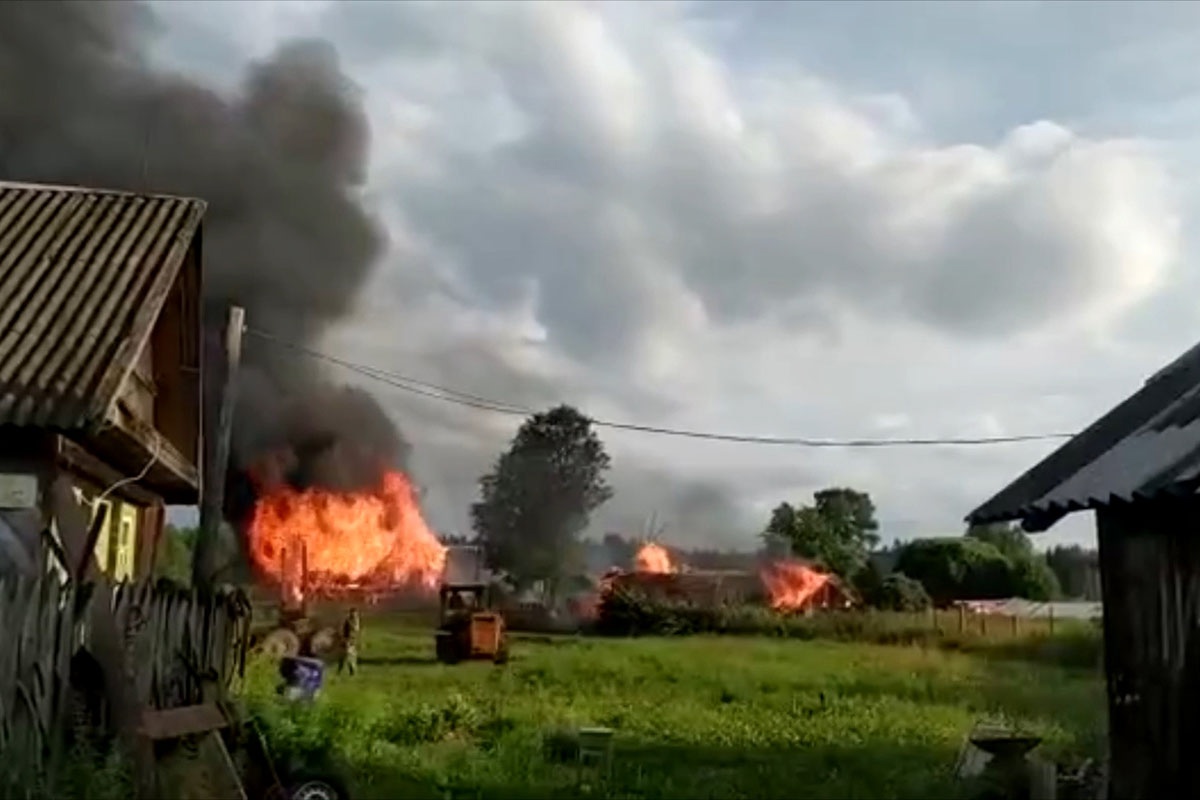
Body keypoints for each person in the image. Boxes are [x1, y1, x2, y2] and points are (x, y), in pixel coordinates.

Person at [339, 607, 361, 676]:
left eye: (354, 613)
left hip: (352, 640)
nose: (353, 614)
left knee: (349, 656)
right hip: (347, 639)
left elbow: (356, 629)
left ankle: (351, 671)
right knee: (345, 655)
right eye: (352, 613)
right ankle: (342, 670)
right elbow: (343, 629)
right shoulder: (348, 620)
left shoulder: (355, 620)